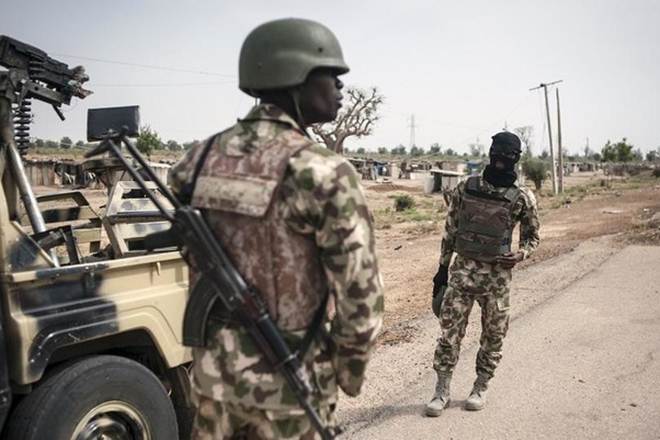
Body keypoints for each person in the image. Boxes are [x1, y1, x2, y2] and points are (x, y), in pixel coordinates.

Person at [169, 18, 384, 439]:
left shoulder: (195, 160)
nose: (341, 86)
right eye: (331, 74)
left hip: (214, 382)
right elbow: (360, 296)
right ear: (294, 75)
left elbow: (188, 250)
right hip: (291, 389)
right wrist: (346, 374)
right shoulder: (322, 171)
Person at [426, 131, 540, 416]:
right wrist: (441, 271)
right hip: (462, 274)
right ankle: (441, 390)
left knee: (493, 336)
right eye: (497, 152)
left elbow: (532, 238)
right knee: (449, 335)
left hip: (497, 280)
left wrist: (521, 254)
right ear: (490, 153)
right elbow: (450, 230)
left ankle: (480, 386)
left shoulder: (522, 196)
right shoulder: (466, 187)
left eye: (507, 154)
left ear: (516, 158)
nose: (500, 159)